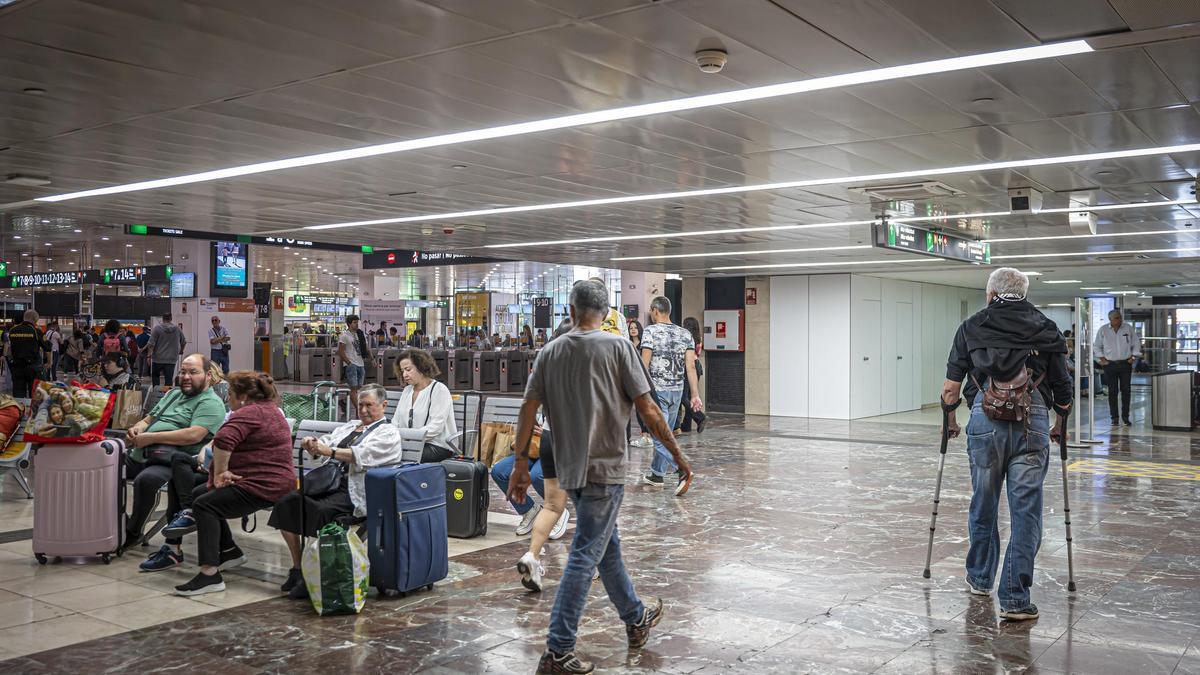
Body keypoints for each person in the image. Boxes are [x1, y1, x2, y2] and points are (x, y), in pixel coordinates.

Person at [506, 279, 691, 673]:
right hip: (606, 470)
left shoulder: (550, 352)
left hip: (571, 470)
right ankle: (557, 649)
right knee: (584, 556)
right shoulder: (619, 347)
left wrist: (521, 464)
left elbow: (527, 410)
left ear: (570, 312)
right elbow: (650, 411)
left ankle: (635, 617)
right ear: (606, 314)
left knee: (607, 548)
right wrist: (677, 455)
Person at [942, 267, 1072, 622]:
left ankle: (981, 579)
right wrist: (1060, 423)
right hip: (1033, 425)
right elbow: (1063, 387)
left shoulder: (972, 326)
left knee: (983, 502)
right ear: (1024, 293)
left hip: (985, 424)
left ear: (991, 293)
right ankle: (1015, 597)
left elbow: (951, 388)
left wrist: (951, 420)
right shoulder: (1045, 327)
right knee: (1026, 511)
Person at [270, 384, 403, 599]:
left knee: (321, 510)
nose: (364, 410)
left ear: (384, 405)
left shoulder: (389, 433)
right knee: (288, 502)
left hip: (355, 492)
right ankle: (298, 568)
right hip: (329, 484)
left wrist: (329, 451)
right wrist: (313, 444)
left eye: (369, 405)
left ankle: (319, 571)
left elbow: (362, 455)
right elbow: (327, 442)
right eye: (360, 405)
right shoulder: (350, 426)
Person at [171, 371, 295, 597]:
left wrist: (220, 473)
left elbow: (223, 439)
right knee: (202, 493)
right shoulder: (270, 410)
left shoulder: (249, 413)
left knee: (204, 504)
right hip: (275, 481)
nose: (228, 398)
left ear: (243, 396)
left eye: (230, 394)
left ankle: (209, 575)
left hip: (264, 486)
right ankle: (228, 551)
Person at [124, 354, 227, 570]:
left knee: (146, 480)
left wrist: (150, 438)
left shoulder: (210, 402)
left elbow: (194, 436)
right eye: (183, 372)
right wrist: (139, 428)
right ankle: (111, 523)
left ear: (208, 376)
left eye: (193, 372)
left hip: (173, 460)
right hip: (143, 452)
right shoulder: (173, 394)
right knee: (106, 465)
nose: (186, 377)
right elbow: (149, 419)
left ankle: (132, 532)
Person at [639, 296, 701, 493]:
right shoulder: (685, 334)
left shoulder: (650, 332)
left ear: (655, 311)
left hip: (656, 392)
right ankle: (657, 474)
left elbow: (644, 364)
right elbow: (691, 366)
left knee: (659, 436)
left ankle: (681, 469)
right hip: (677, 391)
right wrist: (695, 395)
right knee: (665, 433)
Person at [391, 348, 457, 463]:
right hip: (410, 443)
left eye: (408, 369)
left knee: (391, 455)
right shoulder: (407, 391)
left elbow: (435, 428)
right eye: (402, 371)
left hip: (437, 446)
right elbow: (395, 421)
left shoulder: (439, 390)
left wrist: (409, 438)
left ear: (421, 366)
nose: (405, 375)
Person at [1093, 309, 1141, 426]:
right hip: (1110, 365)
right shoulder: (1103, 330)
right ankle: (1114, 417)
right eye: (1117, 318)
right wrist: (1102, 359)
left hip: (1125, 363)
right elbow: (1097, 346)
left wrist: (1133, 357)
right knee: (1112, 391)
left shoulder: (1127, 328)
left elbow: (1136, 343)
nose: (1120, 319)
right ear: (1110, 319)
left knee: (1126, 390)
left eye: (1120, 317)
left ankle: (1125, 417)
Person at [5, 310, 49, 399]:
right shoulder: (36, 331)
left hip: (17, 368)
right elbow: (48, 348)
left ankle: (20, 411)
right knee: (35, 394)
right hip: (33, 368)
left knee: (18, 394)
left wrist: (11, 364)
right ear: (35, 319)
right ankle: (33, 411)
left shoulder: (13, 330)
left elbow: (8, 350)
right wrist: (49, 362)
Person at [677, 317, 708, 434]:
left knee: (683, 396)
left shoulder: (685, 338)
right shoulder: (698, 338)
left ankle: (700, 417)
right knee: (690, 396)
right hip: (697, 366)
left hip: (688, 366)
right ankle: (686, 424)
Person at [626, 319, 653, 448]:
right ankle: (644, 435)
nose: (633, 329)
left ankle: (647, 435)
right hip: (631, 378)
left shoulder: (644, 344)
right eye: (631, 327)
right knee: (637, 409)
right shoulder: (627, 344)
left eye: (635, 327)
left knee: (643, 408)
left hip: (642, 378)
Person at [146, 313, 186, 387]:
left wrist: (149, 356)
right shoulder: (177, 329)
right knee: (168, 379)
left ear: (163, 318)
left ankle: (156, 394)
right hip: (171, 359)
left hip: (157, 358)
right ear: (171, 318)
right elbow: (183, 342)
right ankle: (167, 395)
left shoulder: (157, 329)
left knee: (155, 377)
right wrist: (181, 351)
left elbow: (151, 344)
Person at [337, 314, 367, 408]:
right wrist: (349, 363)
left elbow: (366, 347)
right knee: (353, 388)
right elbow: (340, 351)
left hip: (360, 363)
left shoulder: (360, 334)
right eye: (354, 322)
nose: (356, 324)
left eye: (357, 322)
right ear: (349, 324)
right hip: (351, 364)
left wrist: (372, 359)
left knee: (359, 387)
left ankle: (344, 400)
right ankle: (359, 411)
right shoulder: (344, 336)